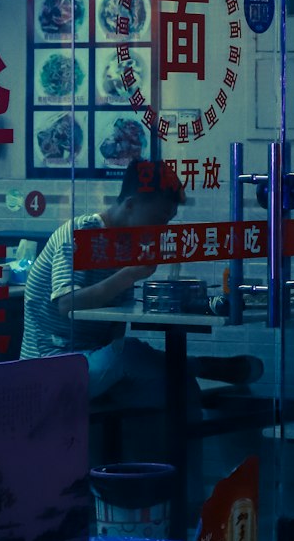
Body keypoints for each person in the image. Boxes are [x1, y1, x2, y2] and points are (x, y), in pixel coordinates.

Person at [20, 158, 260, 404]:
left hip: (95, 358)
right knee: (131, 353)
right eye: (158, 219)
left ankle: (187, 386)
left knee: (179, 384)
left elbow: (116, 326)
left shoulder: (127, 245)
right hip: (51, 363)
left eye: (167, 221)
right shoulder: (81, 233)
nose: (161, 229)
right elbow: (66, 304)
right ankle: (200, 365)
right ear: (131, 205)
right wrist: (130, 274)